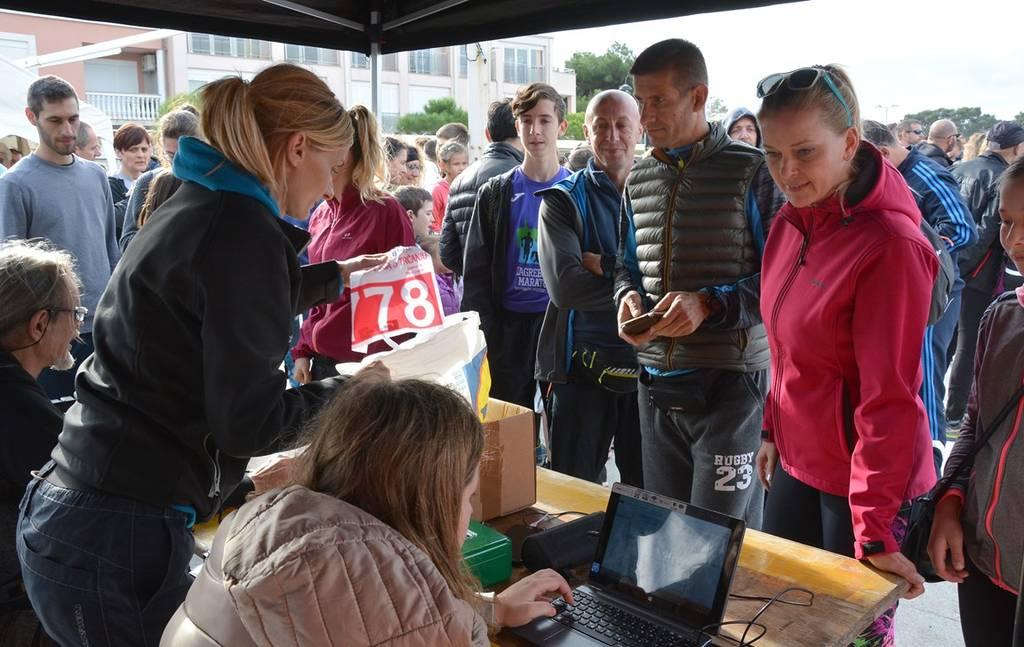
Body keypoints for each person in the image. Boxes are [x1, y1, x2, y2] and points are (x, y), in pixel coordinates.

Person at [16, 64, 383, 647]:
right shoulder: (243, 232)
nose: (332, 187)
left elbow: (214, 302)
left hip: (77, 507)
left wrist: (331, 278)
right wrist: (357, 390)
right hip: (116, 528)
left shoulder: (202, 201)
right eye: (334, 165)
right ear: (297, 148)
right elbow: (250, 423)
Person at [161, 376, 572, 646]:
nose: (469, 513)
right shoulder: (403, 610)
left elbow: (357, 611)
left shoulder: (263, 523)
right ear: (429, 503)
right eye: (468, 497)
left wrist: (490, 609)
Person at [753, 65, 937, 646]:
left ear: (851, 142)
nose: (787, 172)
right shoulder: (791, 222)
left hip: (865, 482)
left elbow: (890, 399)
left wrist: (875, 529)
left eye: (805, 152)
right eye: (774, 154)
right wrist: (772, 428)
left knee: (847, 635)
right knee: (780, 624)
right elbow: (785, 349)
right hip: (797, 459)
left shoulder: (891, 245)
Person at [613, 39, 782, 527]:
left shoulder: (753, 171)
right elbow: (625, 264)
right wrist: (625, 297)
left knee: (718, 537)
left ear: (698, 96)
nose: (646, 116)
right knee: (666, 529)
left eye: (658, 100)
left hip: (731, 384)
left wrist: (708, 304)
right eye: (641, 101)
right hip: (655, 383)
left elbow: (783, 280)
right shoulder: (639, 177)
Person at [927, 155, 1024, 647]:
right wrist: (951, 499)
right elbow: (976, 423)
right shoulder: (1001, 317)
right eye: (1006, 222)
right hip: (984, 564)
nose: (1015, 241)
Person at [535, 90, 644, 487]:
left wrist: (607, 265)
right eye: (602, 126)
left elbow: (681, 278)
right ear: (586, 132)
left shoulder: (661, 196)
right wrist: (643, 290)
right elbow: (566, 288)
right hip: (580, 372)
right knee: (573, 495)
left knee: (647, 498)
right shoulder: (562, 200)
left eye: (622, 126)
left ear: (640, 130)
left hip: (650, 370)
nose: (612, 136)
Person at [861, 119, 977, 475]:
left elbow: (963, 229)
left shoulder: (925, 175)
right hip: (898, 296)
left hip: (930, 297)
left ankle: (931, 465)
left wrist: (912, 255)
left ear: (881, 154)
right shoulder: (891, 175)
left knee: (924, 377)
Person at [0, 75, 119, 401]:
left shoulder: (96, 175)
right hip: (48, 336)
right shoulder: (16, 184)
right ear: (32, 117)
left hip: (103, 327)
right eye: (55, 120)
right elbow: (11, 276)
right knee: (56, 424)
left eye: (73, 119)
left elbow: (110, 248)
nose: (68, 130)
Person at [463, 83, 570, 411]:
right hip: (507, 333)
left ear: (561, 126)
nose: (535, 130)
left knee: (564, 429)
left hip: (561, 330)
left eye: (544, 120)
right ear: (516, 125)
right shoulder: (496, 192)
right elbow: (476, 273)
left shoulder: (578, 190)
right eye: (526, 121)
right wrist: (484, 333)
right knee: (509, 425)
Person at [291, 106, 415, 383]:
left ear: (342, 153)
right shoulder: (321, 214)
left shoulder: (385, 211)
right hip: (322, 363)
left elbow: (405, 295)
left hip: (367, 369)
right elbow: (318, 295)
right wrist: (303, 350)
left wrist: (386, 366)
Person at [0, 240, 81, 647]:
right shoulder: (13, 400)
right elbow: (88, 483)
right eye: (75, 315)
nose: (78, 330)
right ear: (39, 324)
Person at [947, 121, 1024, 426]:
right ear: (1016, 147)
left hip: (951, 272)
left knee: (950, 343)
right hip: (976, 276)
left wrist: (949, 270)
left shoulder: (959, 169)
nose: (1015, 237)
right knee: (968, 346)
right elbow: (985, 232)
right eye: (1009, 222)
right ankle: (955, 414)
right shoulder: (1002, 178)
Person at [440, 99, 523, 275]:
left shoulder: (460, 180)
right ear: (521, 129)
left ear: (487, 134)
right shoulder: (525, 178)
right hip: (516, 285)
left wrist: (473, 274)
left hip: (473, 285)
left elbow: (448, 252)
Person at [119, 108, 202, 252]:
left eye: (183, 155)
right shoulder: (148, 181)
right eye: (170, 155)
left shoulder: (212, 183)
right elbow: (126, 243)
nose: (176, 163)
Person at [108, 122, 153, 237]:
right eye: (133, 150)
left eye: (144, 149)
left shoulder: (155, 180)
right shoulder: (110, 184)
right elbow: (114, 219)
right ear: (118, 152)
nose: (140, 155)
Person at [431, 140, 469, 231]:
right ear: (443, 165)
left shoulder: (468, 186)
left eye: (464, 163)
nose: (461, 168)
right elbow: (433, 222)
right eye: (456, 164)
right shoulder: (438, 190)